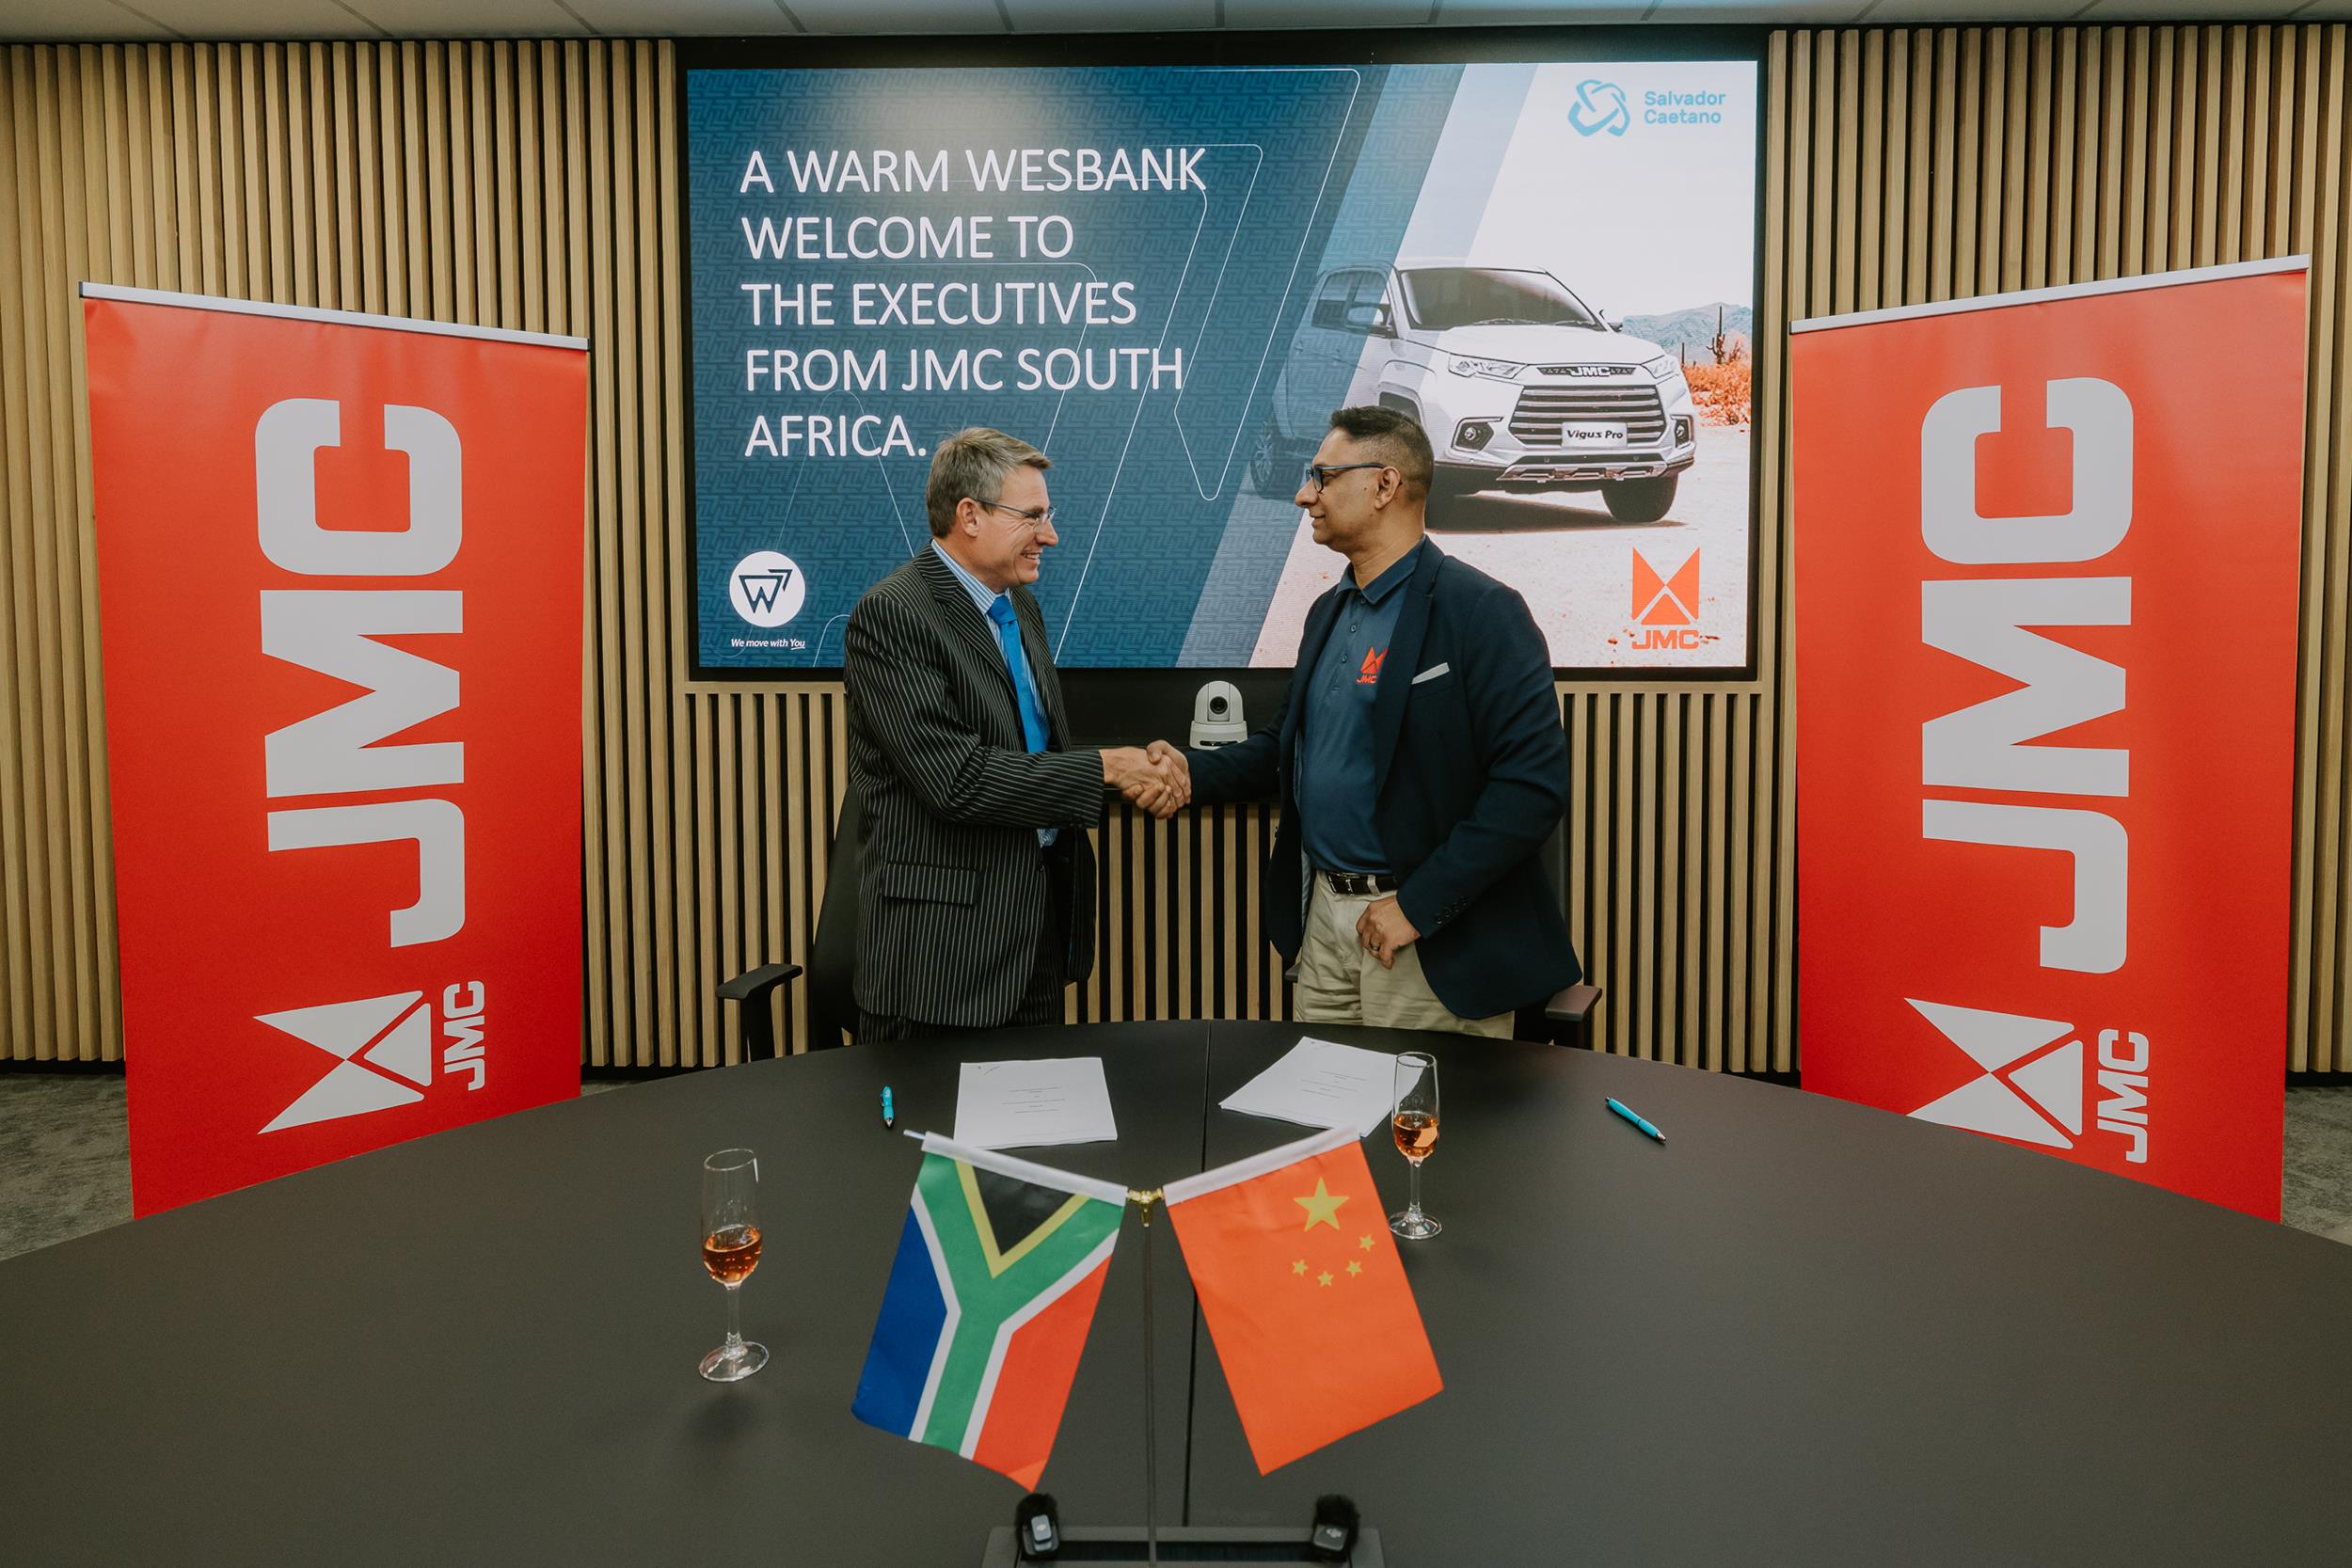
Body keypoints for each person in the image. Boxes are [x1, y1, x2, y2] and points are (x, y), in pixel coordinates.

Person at [1154, 406, 1579, 1036]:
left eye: (1323, 477)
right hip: (1325, 925)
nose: (1305, 495)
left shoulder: (1482, 612)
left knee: (1422, 1104)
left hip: (1425, 936)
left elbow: (1531, 788)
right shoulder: (1327, 611)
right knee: (1324, 1098)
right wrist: (1189, 774)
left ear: (1385, 485)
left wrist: (1416, 906)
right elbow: (1286, 749)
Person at [844, 428, 1187, 1041]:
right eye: (1032, 517)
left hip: (1035, 937)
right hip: (941, 962)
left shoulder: (1020, 606)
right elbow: (956, 780)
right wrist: (1109, 766)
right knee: (935, 1112)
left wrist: (1136, 772)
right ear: (969, 515)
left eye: (1047, 516)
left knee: (1034, 1104)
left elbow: (1031, 756)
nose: (1049, 536)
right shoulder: (893, 614)